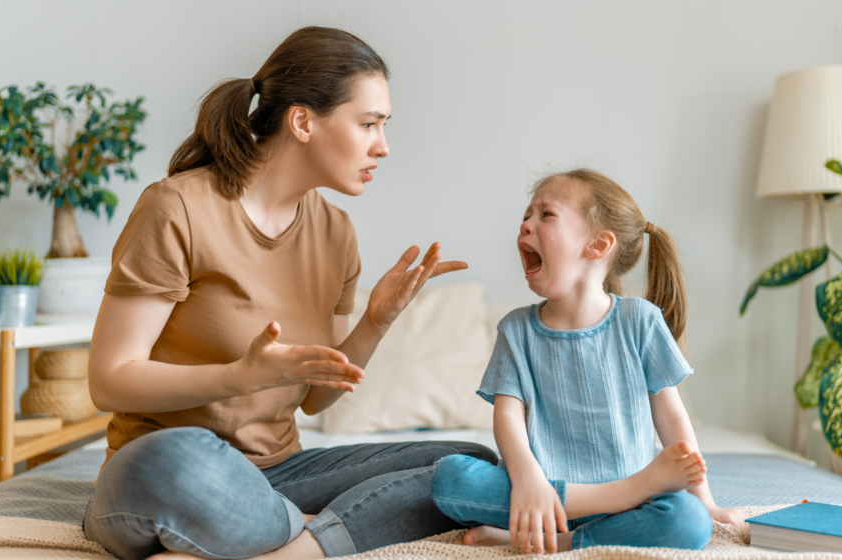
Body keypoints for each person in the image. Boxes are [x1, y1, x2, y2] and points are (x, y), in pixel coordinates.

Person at [84, 26, 496, 560]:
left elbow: (316, 396)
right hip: (166, 468)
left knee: (469, 463)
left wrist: (376, 320)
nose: (383, 147)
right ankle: (317, 531)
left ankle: (285, 544)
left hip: (281, 474)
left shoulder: (336, 233)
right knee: (179, 461)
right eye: (368, 124)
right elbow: (109, 381)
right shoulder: (177, 208)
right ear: (303, 121)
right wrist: (239, 378)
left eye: (384, 126)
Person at [429, 169, 747, 555]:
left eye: (545, 215)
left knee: (689, 519)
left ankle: (560, 541)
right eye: (525, 217)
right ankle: (615, 498)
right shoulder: (516, 330)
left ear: (598, 245)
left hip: (627, 507)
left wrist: (706, 501)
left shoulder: (640, 321)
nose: (525, 225)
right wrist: (528, 478)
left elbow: (671, 419)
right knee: (450, 478)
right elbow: (508, 417)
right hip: (543, 494)